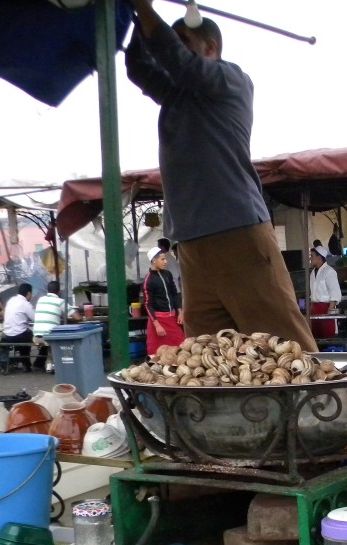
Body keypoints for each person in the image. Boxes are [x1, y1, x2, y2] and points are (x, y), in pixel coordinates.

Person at [124, 0, 316, 352]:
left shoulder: (232, 80)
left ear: (210, 48)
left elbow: (178, 63)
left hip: (236, 230)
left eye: (183, 42)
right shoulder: (176, 94)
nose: (172, 50)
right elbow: (138, 68)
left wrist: (146, 10)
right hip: (191, 241)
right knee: (210, 353)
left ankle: (317, 388)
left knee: (284, 346)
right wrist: (138, 16)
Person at [142, 245, 185, 354]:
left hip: (172, 318)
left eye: (165, 259)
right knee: (156, 353)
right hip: (158, 320)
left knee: (181, 346)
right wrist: (157, 325)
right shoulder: (148, 280)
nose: (165, 262)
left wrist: (180, 312)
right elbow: (147, 304)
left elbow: (175, 293)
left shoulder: (168, 274)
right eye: (162, 259)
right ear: (154, 260)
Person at [0, 283, 35, 372]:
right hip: (19, 335)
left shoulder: (11, 300)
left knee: (23, 332)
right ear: (29, 293)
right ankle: (26, 364)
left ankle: (18, 361)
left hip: (7, 334)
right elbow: (35, 318)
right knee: (30, 335)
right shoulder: (25, 304)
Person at [33, 281, 66, 372]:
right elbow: (76, 317)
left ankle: (46, 365)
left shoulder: (40, 300)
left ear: (47, 290)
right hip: (49, 337)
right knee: (61, 339)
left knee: (47, 340)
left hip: (36, 337)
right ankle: (54, 365)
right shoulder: (60, 301)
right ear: (59, 292)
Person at [309, 245, 341, 338]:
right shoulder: (312, 273)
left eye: (312, 256)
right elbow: (312, 293)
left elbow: (335, 293)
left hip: (326, 308)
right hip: (315, 309)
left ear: (319, 258)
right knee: (316, 336)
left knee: (327, 336)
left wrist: (329, 313)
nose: (310, 259)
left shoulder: (329, 271)